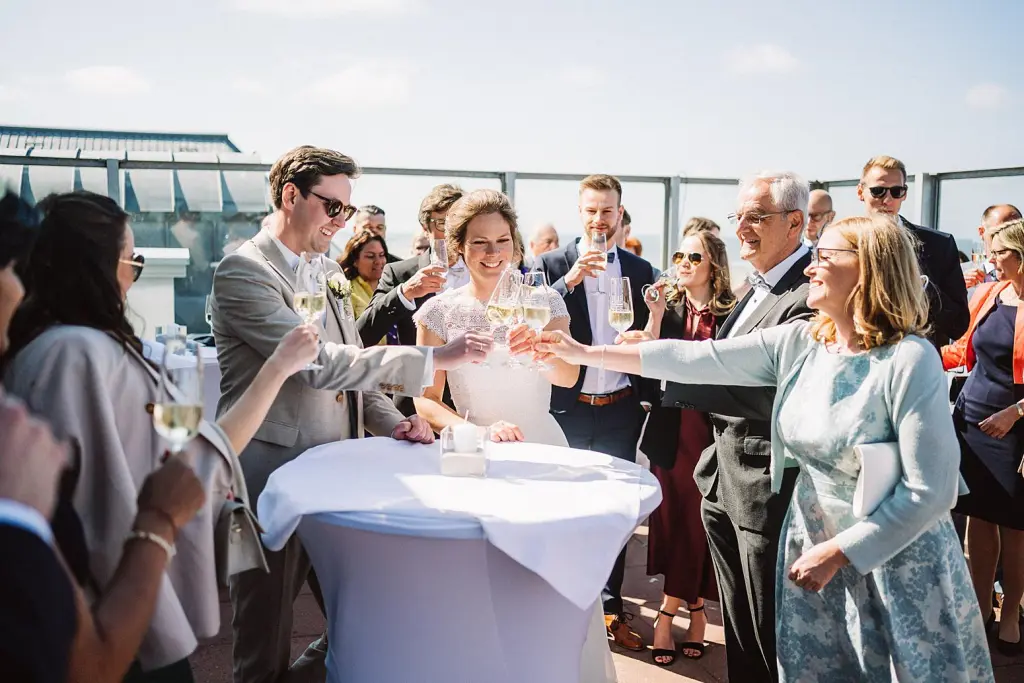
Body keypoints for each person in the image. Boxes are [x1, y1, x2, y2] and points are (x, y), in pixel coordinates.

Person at [535, 214, 995, 682]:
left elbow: (931, 491)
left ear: (870, 267)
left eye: (825, 256)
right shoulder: (804, 340)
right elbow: (698, 357)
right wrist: (583, 353)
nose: (810, 267)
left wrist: (840, 552)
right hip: (811, 542)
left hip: (890, 556)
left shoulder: (910, 359)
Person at [1, 190, 322, 683]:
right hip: (115, 608)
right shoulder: (73, 355)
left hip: (126, 592)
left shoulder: (79, 347)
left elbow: (194, 452)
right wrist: (278, 367)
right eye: (133, 261)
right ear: (97, 266)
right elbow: (185, 463)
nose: (133, 275)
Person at [210, 147, 489, 683]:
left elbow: (352, 369)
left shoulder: (324, 269)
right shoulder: (243, 272)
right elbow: (319, 365)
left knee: (370, 622)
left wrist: (391, 420)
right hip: (268, 483)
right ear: (290, 195)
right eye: (332, 206)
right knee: (263, 641)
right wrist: (433, 358)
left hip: (339, 481)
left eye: (347, 209)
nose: (341, 221)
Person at [411, 188, 616, 683]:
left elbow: (569, 377)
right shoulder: (439, 312)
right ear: (459, 247)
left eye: (502, 240)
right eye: (479, 242)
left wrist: (544, 353)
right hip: (473, 458)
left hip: (543, 451)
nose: (493, 252)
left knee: (553, 581)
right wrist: (477, 431)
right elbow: (425, 401)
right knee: (481, 583)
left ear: (515, 243)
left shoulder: (544, 301)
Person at [535, 174, 656, 652]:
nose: (599, 219)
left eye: (608, 211)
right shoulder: (551, 264)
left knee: (614, 512)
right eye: (591, 210)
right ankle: (558, 604)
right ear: (580, 212)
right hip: (566, 409)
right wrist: (568, 282)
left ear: (620, 213)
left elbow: (652, 333)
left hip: (621, 408)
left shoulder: (640, 268)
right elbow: (527, 314)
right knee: (561, 508)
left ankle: (610, 609)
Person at [638, 230, 735, 666]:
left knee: (699, 524)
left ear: (714, 264)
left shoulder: (733, 312)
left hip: (711, 432)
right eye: (679, 255)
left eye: (694, 257)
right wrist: (655, 316)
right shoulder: (670, 308)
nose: (684, 262)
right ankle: (694, 609)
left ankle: (667, 613)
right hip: (671, 430)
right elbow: (647, 363)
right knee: (673, 520)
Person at [942, 217, 1024, 654]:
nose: (990, 258)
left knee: (1015, 525)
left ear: (1020, 256)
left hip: (1015, 426)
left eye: (998, 252)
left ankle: (1010, 613)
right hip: (972, 416)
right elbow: (961, 348)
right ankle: (979, 607)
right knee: (977, 515)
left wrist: (1016, 413)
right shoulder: (991, 292)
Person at [857, 154, 969, 347]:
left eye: (896, 191)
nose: (887, 199)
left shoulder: (938, 244)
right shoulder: (844, 242)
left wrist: (920, 286)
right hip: (859, 353)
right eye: (878, 191)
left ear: (905, 194)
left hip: (917, 356)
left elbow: (958, 325)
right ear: (861, 192)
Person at [337, 230, 390, 342]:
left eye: (381, 255)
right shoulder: (345, 292)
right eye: (370, 256)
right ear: (355, 261)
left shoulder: (393, 288)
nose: (378, 261)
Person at [964, 204, 1022, 289]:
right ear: (981, 232)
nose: (1006, 237)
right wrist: (957, 288)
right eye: (998, 231)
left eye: (1015, 233)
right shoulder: (958, 274)